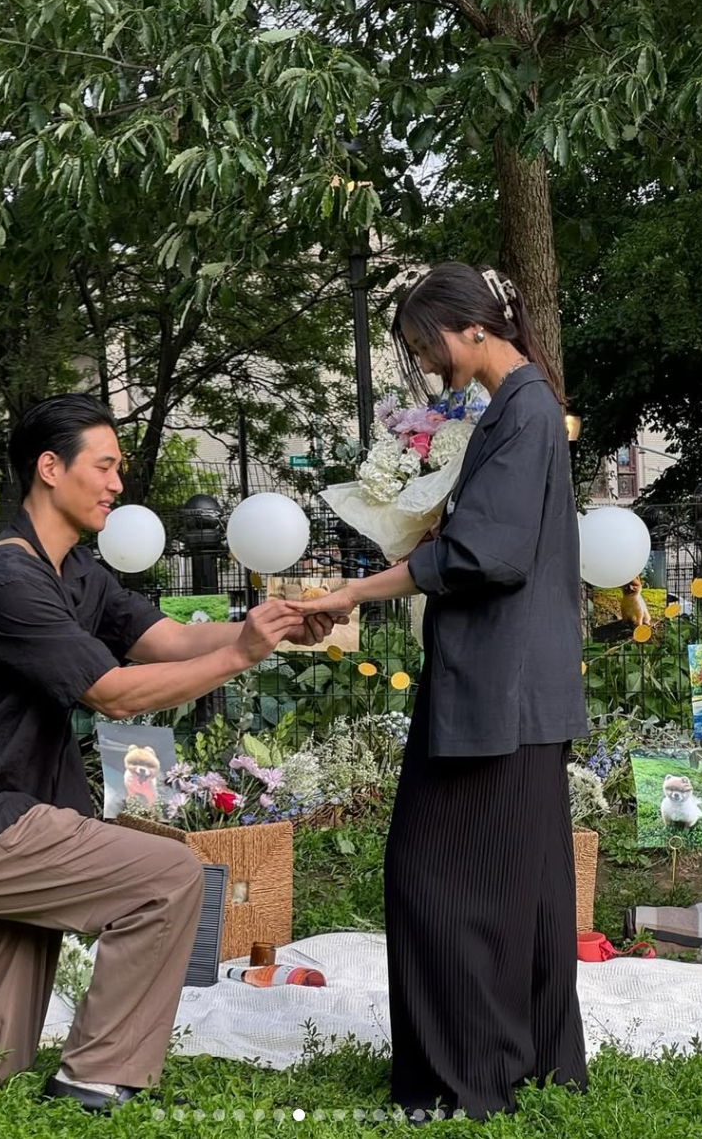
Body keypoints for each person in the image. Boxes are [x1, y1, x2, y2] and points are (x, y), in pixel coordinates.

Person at [0, 393, 337, 1112]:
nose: (117, 484)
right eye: (105, 466)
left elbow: (173, 642)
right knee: (167, 876)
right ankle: (95, 1075)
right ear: (49, 468)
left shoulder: (79, 574)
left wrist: (265, 628)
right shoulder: (6, 580)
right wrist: (246, 653)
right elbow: (114, 694)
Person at [289, 262, 588, 1122]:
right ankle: (532, 1068)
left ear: (472, 329)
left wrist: (355, 590)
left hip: (498, 690)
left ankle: (463, 1083)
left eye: (427, 346)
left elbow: (484, 556)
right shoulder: (526, 409)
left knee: (436, 881)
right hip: (521, 689)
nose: (428, 366)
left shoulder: (522, 414)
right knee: (523, 887)